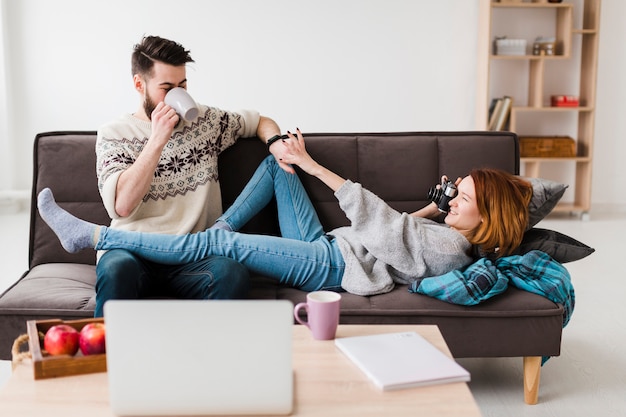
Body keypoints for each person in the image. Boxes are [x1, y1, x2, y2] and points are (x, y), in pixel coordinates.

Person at [38, 129, 534, 297]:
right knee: (277, 168)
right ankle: (221, 226)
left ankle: (97, 237)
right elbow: (405, 235)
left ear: (487, 220)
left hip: (334, 268)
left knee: (222, 246)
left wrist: (312, 163)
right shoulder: (446, 235)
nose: (452, 202)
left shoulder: (451, 252)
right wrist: (437, 203)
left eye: (462, 199)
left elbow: (384, 225)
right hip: (331, 246)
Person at [91, 35, 290, 317]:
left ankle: (209, 358)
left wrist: (276, 143)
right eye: (167, 88)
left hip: (193, 254)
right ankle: (106, 361)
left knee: (230, 273)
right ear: (139, 84)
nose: (179, 95)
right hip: (134, 252)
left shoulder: (205, 122)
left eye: (182, 86)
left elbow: (258, 121)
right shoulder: (114, 134)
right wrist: (157, 140)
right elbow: (121, 206)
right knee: (114, 268)